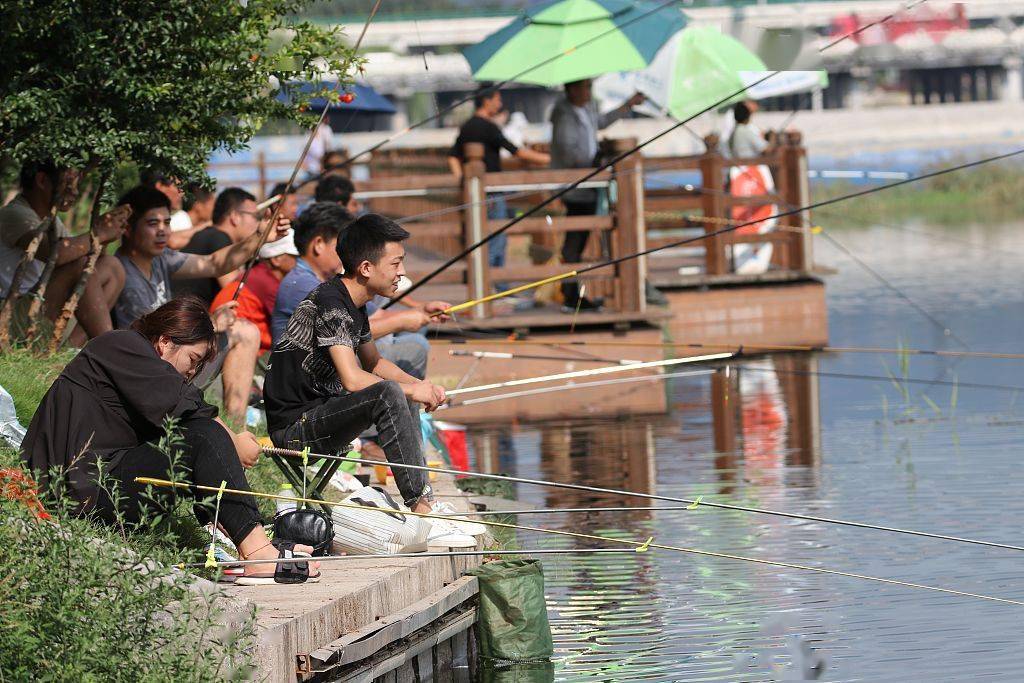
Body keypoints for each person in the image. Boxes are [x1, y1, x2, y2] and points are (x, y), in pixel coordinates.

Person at [20, 297, 318, 585]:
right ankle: (257, 553)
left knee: (197, 437)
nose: (191, 373)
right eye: (193, 360)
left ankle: (251, 541)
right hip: (78, 493)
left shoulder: (134, 364)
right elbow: (187, 405)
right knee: (204, 435)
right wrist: (234, 441)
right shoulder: (122, 345)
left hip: (98, 485)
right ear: (165, 341)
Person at [263, 214, 481, 547]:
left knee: (399, 391)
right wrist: (409, 388)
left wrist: (421, 388)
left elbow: (375, 363)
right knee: (390, 394)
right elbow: (352, 379)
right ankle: (423, 512)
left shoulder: (354, 304)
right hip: (295, 431)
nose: (402, 273)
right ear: (366, 268)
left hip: (323, 414)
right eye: (396, 264)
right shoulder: (331, 303)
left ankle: (427, 505)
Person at [112, 185, 288, 427]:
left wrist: (259, 237)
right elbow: (148, 337)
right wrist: (211, 324)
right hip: (149, 372)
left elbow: (214, 263)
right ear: (128, 228)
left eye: (167, 222)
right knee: (243, 332)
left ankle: (237, 427)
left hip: (175, 358)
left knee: (245, 330)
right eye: (153, 223)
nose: (163, 230)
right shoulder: (120, 271)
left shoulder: (162, 259)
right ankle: (229, 432)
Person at [271, 202, 448, 381]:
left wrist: (420, 312)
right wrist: (403, 321)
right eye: (339, 243)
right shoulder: (305, 286)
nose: (347, 250)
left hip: (335, 365)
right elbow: (347, 345)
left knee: (413, 341)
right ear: (318, 244)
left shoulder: (335, 286)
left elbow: (376, 317)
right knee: (415, 347)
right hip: (311, 381)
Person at [0, 160, 126, 345]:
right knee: (80, 266)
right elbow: (55, 255)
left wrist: (107, 233)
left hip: (35, 307)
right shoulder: (14, 214)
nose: (75, 191)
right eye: (68, 183)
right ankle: (110, 349)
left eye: (77, 184)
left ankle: (69, 349)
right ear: (42, 180)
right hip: (10, 316)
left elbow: (81, 255)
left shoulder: (52, 221)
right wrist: (97, 234)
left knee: (111, 266)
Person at [550, 79, 644, 311]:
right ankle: (570, 295)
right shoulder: (564, 115)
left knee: (578, 241)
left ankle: (571, 293)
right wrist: (594, 161)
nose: (589, 92)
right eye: (586, 87)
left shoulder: (587, 109)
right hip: (576, 186)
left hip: (589, 184)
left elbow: (601, 122)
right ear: (572, 89)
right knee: (574, 242)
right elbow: (568, 150)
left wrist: (628, 105)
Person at [447, 85, 549, 269]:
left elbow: (453, 157)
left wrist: (463, 182)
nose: (500, 104)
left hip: (474, 190)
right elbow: (517, 152)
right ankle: (494, 283)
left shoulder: (467, 126)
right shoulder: (488, 127)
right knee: (497, 238)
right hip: (491, 190)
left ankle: (488, 282)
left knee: (480, 236)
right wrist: (549, 159)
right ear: (487, 101)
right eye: (498, 99)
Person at [211, 230, 298, 354]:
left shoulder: (258, 274)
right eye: (295, 256)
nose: (299, 261)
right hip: (237, 347)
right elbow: (293, 323)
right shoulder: (268, 283)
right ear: (276, 259)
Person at [173, 188, 261, 305]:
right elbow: (235, 292)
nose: (258, 222)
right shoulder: (218, 238)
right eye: (256, 216)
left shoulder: (210, 234)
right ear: (235, 217)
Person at [141, 170, 197, 249]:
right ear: (160, 187)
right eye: (178, 186)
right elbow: (172, 241)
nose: (182, 193)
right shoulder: (141, 215)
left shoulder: (181, 216)